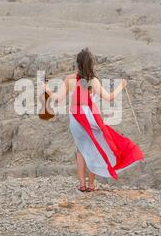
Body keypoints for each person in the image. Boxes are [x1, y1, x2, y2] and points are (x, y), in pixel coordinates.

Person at [43, 48, 144, 192]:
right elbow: (109, 98)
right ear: (91, 64)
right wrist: (121, 86)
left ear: (77, 63)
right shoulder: (93, 81)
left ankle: (81, 185)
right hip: (91, 118)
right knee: (94, 148)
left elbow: (57, 99)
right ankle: (91, 185)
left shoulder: (69, 79)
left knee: (81, 150)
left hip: (76, 119)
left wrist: (45, 88)